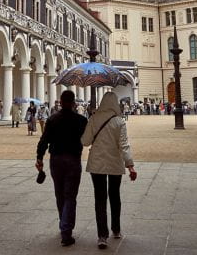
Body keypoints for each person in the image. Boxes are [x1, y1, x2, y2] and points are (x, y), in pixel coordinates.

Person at [81, 92, 135, 249]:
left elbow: (85, 141)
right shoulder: (119, 121)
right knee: (114, 195)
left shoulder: (93, 118)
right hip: (114, 163)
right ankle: (116, 229)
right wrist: (130, 165)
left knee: (100, 198)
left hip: (96, 164)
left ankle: (102, 236)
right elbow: (124, 145)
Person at [36, 90, 88, 247]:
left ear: (60, 101)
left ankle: (63, 222)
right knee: (70, 196)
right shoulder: (81, 120)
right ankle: (66, 230)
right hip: (73, 160)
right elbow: (86, 140)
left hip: (56, 160)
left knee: (60, 194)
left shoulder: (53, 119)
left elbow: (44, 140)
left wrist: (39, 157)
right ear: (73, 103)